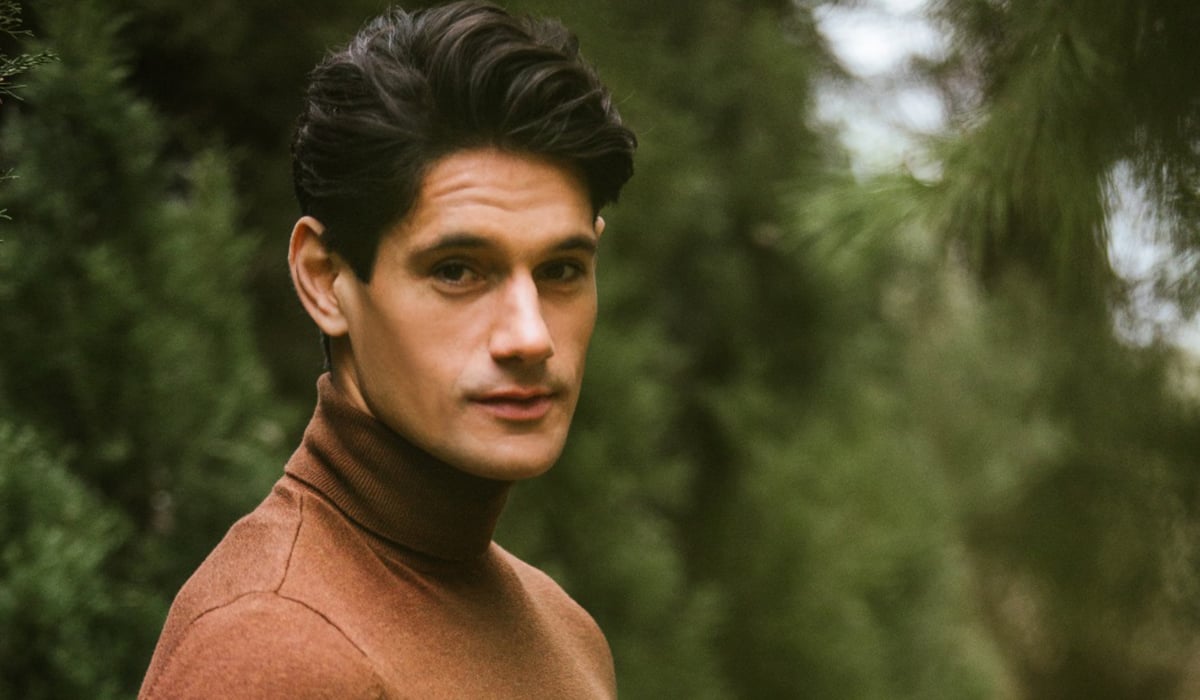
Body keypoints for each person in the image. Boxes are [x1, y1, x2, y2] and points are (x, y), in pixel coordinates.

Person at [138, 1, 636, 697]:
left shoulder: (563, 630)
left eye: (560, 270)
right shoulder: (273, 651)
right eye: (457, 270)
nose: (530, 336)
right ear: (325, 280)